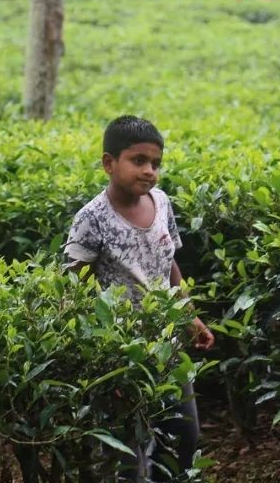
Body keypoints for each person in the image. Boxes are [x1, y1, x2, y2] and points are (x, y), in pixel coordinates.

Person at [63, 115, 215, 480]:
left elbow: (169, 262)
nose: (149, 171)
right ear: (108, 163)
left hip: (167, 344)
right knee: (128, 452)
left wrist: (188, 313)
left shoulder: (160, 202)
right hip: (121, 351)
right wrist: (99, 359)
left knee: (183, 436)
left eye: (156, 163)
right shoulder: (92, 219)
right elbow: (75, 289)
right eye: (139, 161)